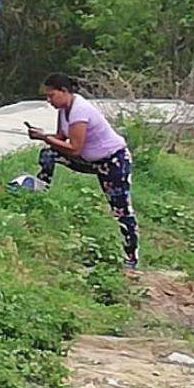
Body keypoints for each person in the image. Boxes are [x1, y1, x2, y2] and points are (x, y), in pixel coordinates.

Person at [29, 73, 140, 269]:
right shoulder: (64, 109)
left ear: (64, 92)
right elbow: (60, 139)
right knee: (49, 153)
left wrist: (45, 137)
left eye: (51, 95)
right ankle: (40, 189)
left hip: (113, 162)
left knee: (121, 209)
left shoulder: (80, 111)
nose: (49, 100)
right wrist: (45, 137)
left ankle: (131, 257)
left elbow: (74, 148)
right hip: (90, 160)